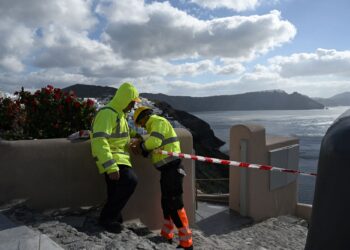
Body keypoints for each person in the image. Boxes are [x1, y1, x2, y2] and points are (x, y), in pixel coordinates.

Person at [130, 106, 193, 250]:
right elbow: (157, 148)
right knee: (166, 203)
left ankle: (186, 244)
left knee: (175, 205)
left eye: (141, 123)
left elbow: (155, 142)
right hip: (167, 171)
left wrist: (141, 145)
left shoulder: (157, 121)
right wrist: (145, 150)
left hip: (172, 169)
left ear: (144, 118)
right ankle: (167, 235)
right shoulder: (154, 125)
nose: (143, 127)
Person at [90, 82, 141, 233]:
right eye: (132, 103)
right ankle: (107, 218)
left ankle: (114, 219)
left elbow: (126, 133)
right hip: (113, 159)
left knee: (115, 190)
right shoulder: (107, 113)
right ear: (125, 100)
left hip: (119, 158)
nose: (133, 107)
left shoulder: (120, 115)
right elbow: (99, 140)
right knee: (130, 181)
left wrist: (137, 136)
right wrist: (110, 166)